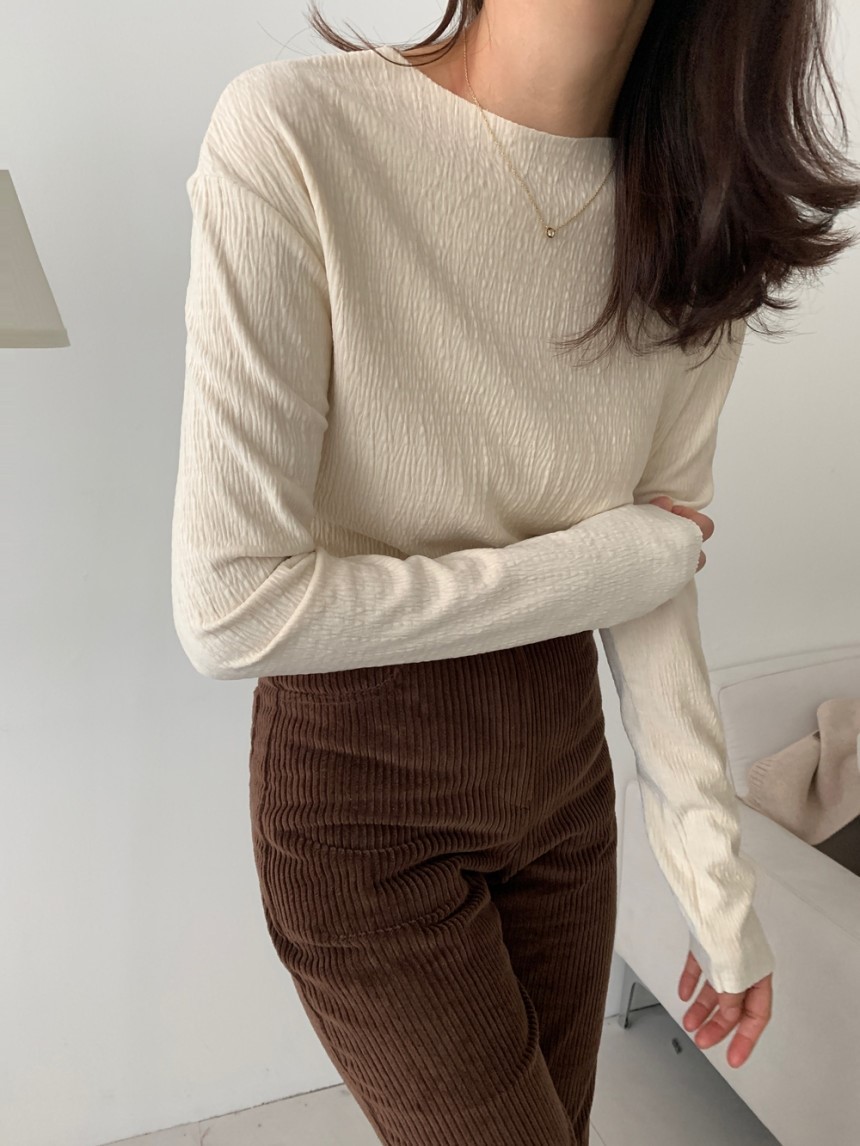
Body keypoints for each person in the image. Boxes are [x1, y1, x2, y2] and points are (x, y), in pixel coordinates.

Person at [171, 2, 860, 1142]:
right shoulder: (295, 133)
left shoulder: (701, 213)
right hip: (361, 804)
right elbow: (232, 608)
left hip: (564, 785)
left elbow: (653, 580)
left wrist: (717, 889)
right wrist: (609, 560)